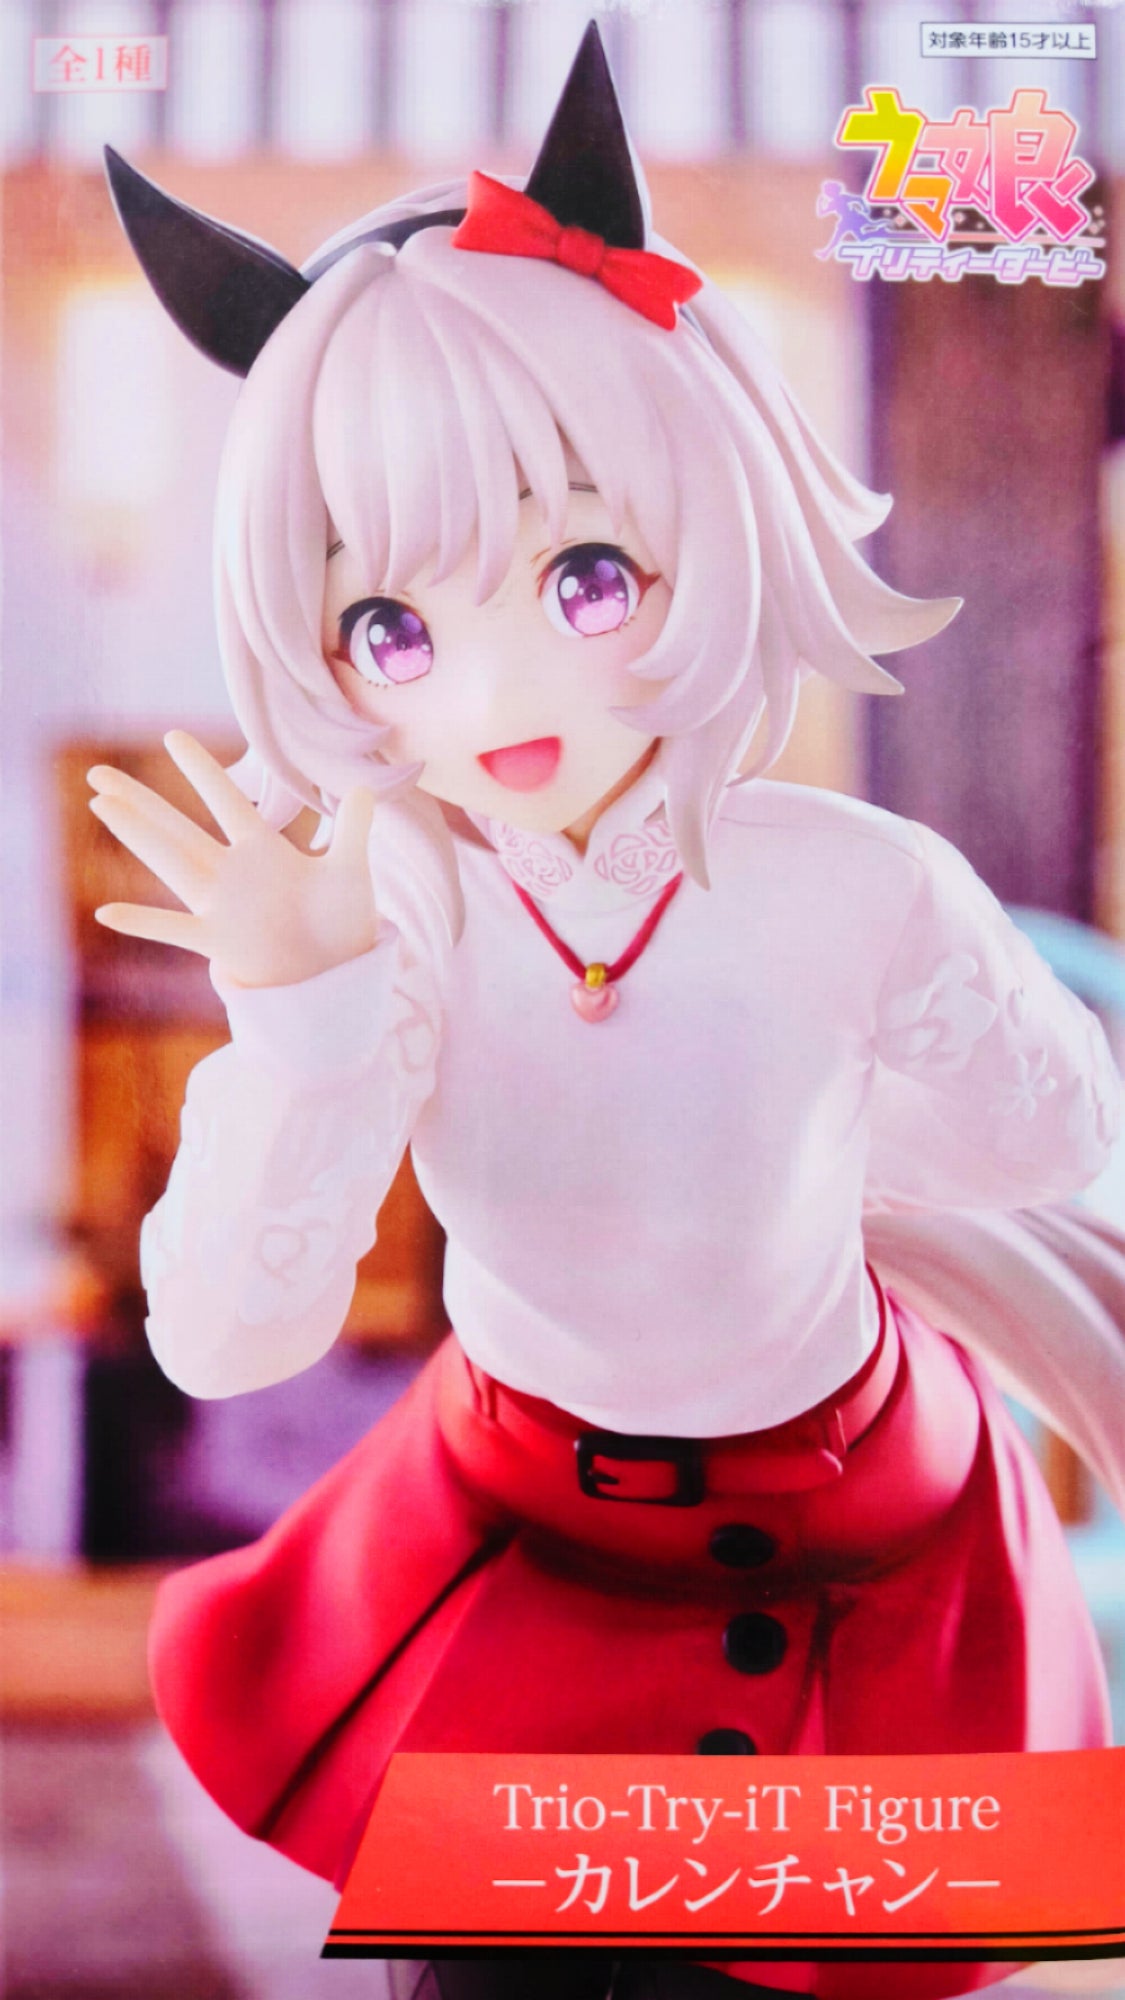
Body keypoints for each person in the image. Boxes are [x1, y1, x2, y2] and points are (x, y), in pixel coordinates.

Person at [93, 25, 1123, 2000]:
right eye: (390, 626)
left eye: (582, 573)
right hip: (524, 1551)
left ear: (704, 519)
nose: (492, 693)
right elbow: (228, 1340)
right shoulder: (392, 899)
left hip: (873, 1535)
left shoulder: (854, 876)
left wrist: (843, 1145)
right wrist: (298, 1014)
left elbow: (1049, 1142)